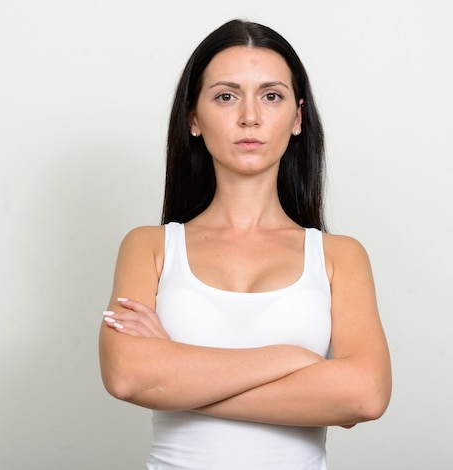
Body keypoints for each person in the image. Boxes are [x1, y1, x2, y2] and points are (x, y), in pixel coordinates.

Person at [99, 19, 391, 469]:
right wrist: (294, 360)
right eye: (226, 95)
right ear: (193, 118)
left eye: (271, 96)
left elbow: (365, 395)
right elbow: (127, 376)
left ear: (297, 117)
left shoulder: (338, 256)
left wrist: (175, 374)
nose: (249, 116)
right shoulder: (150, 248)